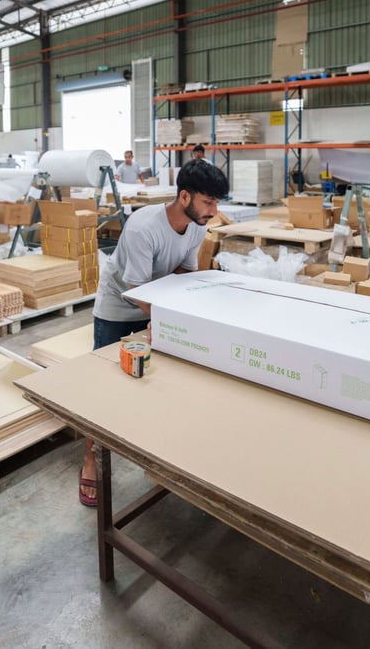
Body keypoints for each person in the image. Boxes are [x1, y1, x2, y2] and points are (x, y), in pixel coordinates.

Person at [79, 159, 229, 506]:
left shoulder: (197, 226)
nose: (214, 211)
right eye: (209, 202)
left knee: (157, 382)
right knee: (105, 387)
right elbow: (136, 288)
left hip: (153, 303)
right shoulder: (142, 227)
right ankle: (91, 459)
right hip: (120, 308)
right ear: (185, 197)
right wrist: (168, 318)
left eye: (217, 203)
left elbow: (182, 271)